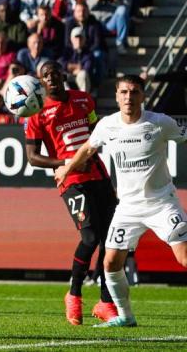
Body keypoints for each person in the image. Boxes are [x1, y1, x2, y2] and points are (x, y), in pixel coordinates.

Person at [55, 74, 187, 327]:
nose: (129, 97)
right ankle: (125, 317)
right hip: (127, 207)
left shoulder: (159, 123)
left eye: (135, 92)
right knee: (110, 262)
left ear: (143, 96)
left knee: (184, 258)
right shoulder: (107, 125)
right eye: (124, 92)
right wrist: (67, 169)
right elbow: (87, 148)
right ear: (116, 96)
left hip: (162, 202)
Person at [25, 60, 119, 326]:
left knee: (110, 239)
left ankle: (105, 302)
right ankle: (74, 295)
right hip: (71, 179)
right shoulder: (36, 113)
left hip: (98, 174)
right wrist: (63, 164)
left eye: (55, 72)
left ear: (63, 75)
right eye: (45, 75)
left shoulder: (84, 100)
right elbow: (32, 157)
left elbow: (95, 132)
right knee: (90, 237)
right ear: (40, 82)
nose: (51, 78)